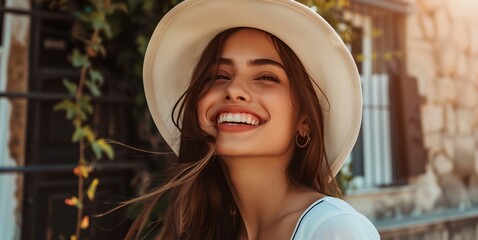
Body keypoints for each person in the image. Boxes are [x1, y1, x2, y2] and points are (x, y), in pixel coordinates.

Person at [129, 0, 381, 239]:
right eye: (218, 75)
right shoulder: (205, 232)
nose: (233, 89)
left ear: (304, 122)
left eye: (266, 77)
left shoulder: (334, 229)